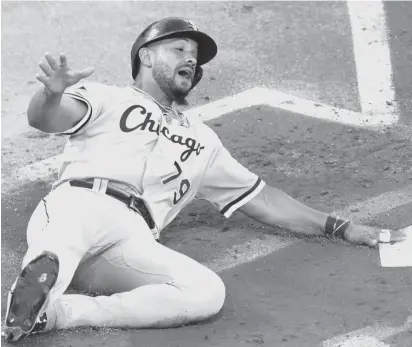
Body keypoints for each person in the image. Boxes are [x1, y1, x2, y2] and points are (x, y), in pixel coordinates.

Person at [2, 17, 404, 342]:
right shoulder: (107, 97)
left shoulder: (203, 140)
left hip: (131, 239)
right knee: (63, 240)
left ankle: (55, 314)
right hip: (80, 203)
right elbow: (46, 118)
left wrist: (341, 226)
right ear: (145, 55)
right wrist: (50, 93)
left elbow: (262, 199)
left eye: (195, 58)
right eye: (180, 49)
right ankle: (28, 297)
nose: (191, 61)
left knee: (206, 292)